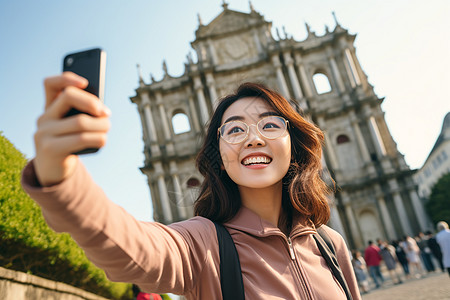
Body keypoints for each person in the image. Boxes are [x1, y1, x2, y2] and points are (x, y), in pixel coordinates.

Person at [21, 74, 361, 299]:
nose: (254, 138)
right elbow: (133, 248)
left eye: (270, 125)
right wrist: (61, 177)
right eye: (235, 130)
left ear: (293, 145)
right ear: (220, 156)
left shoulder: (331, 245)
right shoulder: (202, 245)